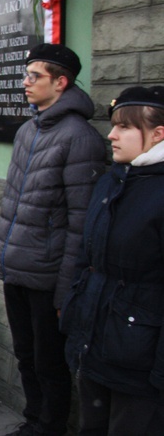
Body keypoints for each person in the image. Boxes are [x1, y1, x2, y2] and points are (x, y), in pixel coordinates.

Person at [0, 43, 106, 436]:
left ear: (61, 82)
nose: (25, 83)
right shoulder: (28, 129)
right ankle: (33, 420)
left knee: (48, 362)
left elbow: (82, 224)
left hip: (48, 277)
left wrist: (66, 291)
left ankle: (49, 427)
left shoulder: (80, 138)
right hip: (17, 268)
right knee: (26, 355)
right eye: (25, 75)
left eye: (34, 76)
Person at [61, 86, 164, 435]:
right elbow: (86, 259)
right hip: (95, 345)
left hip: (138, 359)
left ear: (157, 134)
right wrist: (74, 311)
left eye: (123, 127)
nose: (111, 134)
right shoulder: (111, 181)